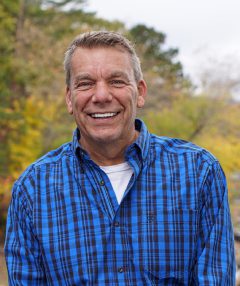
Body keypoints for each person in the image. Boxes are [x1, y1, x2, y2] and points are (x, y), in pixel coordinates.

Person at [5, 31, 236, 285]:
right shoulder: (32, 190)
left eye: (116, 81)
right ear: (70, 98)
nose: (102, 96)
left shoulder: (199, 173)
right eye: (85, 83)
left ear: (140, 92)